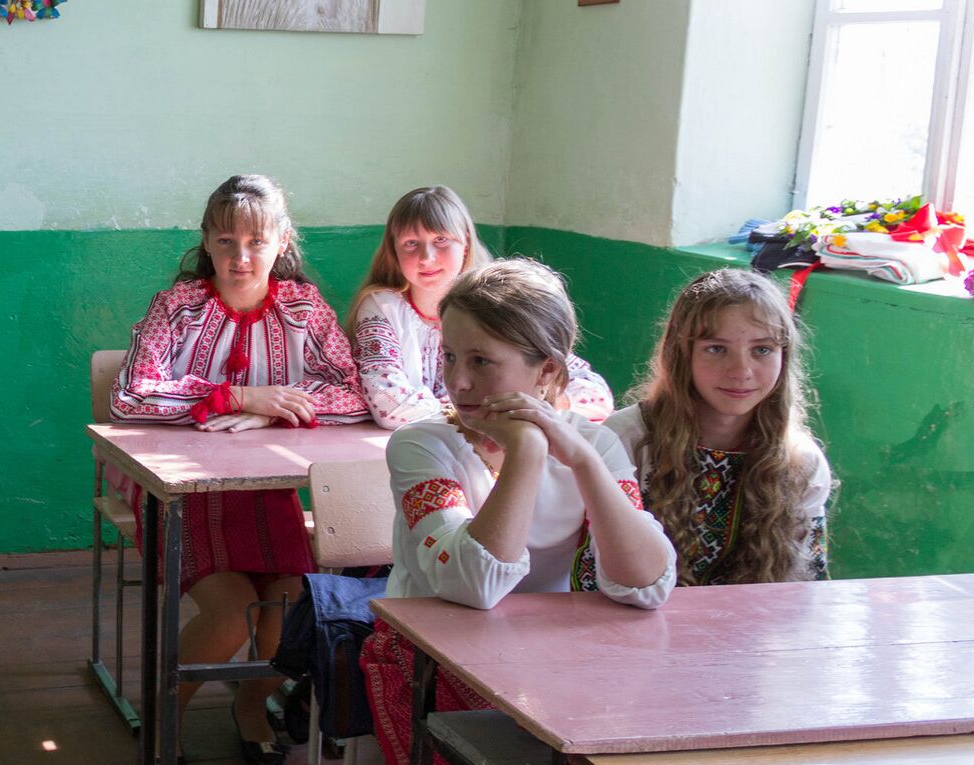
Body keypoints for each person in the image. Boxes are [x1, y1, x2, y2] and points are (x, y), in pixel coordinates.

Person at [360, 259, 676, 765]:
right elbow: (474, 587)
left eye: (482, 361)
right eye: (449, 357)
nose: (457, 382)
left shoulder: (595, 446)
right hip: (432, 661)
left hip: (552, 659)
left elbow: (647, 584)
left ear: (547, 369)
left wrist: (583, 462)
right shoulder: (422, 445)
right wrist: (528, 451)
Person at [110, 174, 369, 763]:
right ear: (206, 242)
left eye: (256, 241)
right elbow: (130, 395)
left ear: (282, 242)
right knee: (229, 619)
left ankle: (251, 703)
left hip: (270, 494)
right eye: (226, 241)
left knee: (288, 615)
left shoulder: (305, 308)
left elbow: (353, 395)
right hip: (185, 495)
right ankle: (165, 714)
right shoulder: (178, 305)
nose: (240, 256)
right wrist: (238, 398)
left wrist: (278, 412)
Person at [586, 268, 832, 589]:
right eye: (716, 349)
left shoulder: (803, 463)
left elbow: (806, 592)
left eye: (762, 350)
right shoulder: (624, 440)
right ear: (681, 355)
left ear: (784, 358)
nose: (741, 371)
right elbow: (592, 575)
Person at [347, 186, 614, 428]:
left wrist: (528, 407)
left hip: (496, 446)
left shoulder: (497, 304)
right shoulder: (382, 307)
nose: (426, 258)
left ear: (464, 244)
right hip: (412, 449)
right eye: (411, 244)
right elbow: (390, 406)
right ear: (394, 251)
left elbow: (596, 395)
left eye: (441, 240)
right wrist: (499, 408)